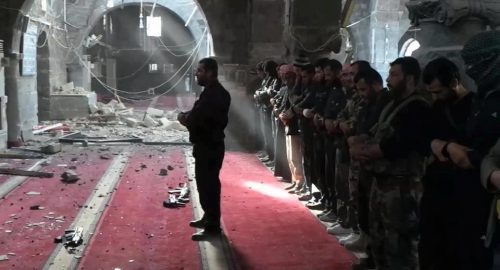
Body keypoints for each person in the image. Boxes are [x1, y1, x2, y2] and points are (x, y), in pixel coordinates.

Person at [350, 57, 431, 269]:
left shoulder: (417, 107)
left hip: (402, 186)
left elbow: (400, 143)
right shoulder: (392, 104)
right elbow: (375, 131)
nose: (388, 79)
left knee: (400, 246)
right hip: (382, 182)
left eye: (394, 75)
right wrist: (358, 143)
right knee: (379, 240)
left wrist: (367, 151)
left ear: (410, 78)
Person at [418, 58, 474, 269]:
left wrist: (444, 147)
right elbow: (424, 140)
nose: (435, 97)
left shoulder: (473, 106)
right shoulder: (438, 107)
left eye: (438, 91)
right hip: (435, 188)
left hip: (460, 191)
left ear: (453, 82)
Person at [177, 58, 231, 241]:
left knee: (209, 185)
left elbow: (197, 118)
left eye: (200, 71)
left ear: (209, 72)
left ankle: (212, 227)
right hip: (206, 145)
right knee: (204, 183)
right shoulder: (210, 92)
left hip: (210, 146)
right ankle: (208, 217)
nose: (196, 74)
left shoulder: (215, 95)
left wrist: (184, 118)